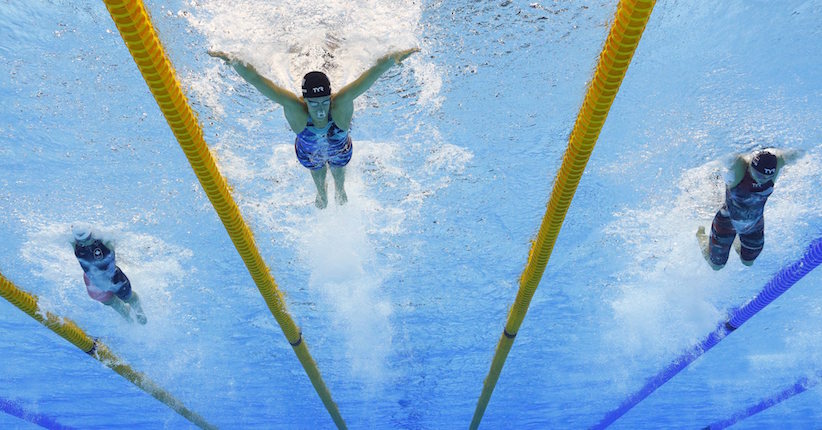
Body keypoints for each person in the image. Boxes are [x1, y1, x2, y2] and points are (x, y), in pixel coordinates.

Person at [209, 47, 419, 208]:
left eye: (324, 102)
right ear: (304, 100)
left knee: (338, 170)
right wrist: (235, 62)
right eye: (313, 103)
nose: (320, 110)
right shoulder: (295, 107)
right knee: (317, 171)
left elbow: (370, 76)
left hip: (340, 147)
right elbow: (259, 82)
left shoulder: (340, 104)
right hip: (308, 151)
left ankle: (340, 188)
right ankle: (321, 192)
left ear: (330, 96)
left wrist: (393, 59)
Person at [697, 148, 802, 270]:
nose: (762, 179)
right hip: (727, 221)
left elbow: (791, 155)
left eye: (767, 177)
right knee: (716, 265)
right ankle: (700, 234)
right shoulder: (740, 170)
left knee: (747, 262)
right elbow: (726, 154)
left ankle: (737, 239)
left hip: (754, 225)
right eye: (758, 175)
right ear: (750, 167)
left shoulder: (775, 164)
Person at [71, 223, 147, 324]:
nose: (84, 243)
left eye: (87, 239)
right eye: (81, 241)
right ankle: (126, 316)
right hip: (94, 284)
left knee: (129, 298)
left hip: (115, 279)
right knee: (113, 304)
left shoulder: (105, 241)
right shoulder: (75, 244)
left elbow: (114, 236)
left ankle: (139, 312)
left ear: (92, 234)